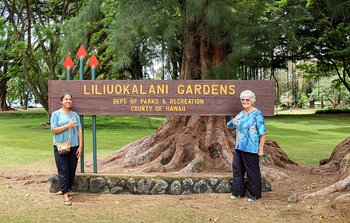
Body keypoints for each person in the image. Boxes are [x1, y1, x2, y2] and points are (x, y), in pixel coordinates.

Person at [226, 90, 266, 201]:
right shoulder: (241, 113)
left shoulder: (257, 114)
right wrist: (233, 121)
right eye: (243, 99)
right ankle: (237, 192)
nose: (245, 101)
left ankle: (254, 195)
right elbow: (228, 125)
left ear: (252, 100)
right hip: (239, 147)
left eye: (247, 99)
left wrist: (261, 148)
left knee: (252, 172)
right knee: (237, 170)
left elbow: (263, 133)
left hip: (251, 148)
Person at [50, 93, 83, 206]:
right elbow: (53, 130)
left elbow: (80, 131)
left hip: (74, 146)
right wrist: (68, 125)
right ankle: (65, 194)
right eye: (66, 99)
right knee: (63, 170)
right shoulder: (56, 114)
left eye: (70, 99)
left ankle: (66, 189)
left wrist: (81, 146)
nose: (68, 101)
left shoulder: (75, 115)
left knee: (71, 170)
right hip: (60, 146)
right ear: (61, 101)